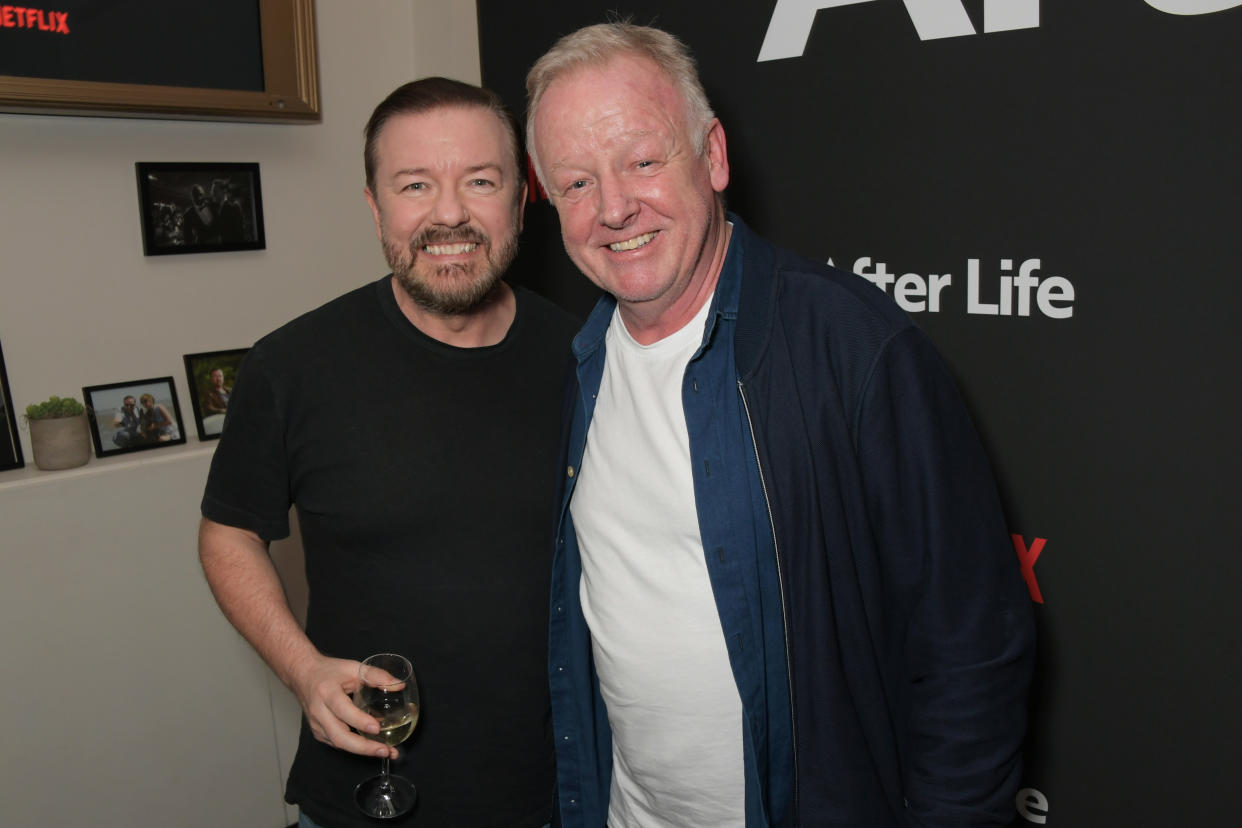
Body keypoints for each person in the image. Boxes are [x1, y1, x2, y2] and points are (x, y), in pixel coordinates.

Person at [526, 23, 1037, 828]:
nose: (614, 207)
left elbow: (969, 648)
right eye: (577, 182)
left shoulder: (858, 350)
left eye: (644, 161)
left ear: (715, 156)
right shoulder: (580, 362)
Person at [198, 77, 579, 828]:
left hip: (560, 795)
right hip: (364, 798)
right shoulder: (291, 366)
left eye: (480, 181)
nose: (448, 213)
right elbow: (228, 531)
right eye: (415, 184)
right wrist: (301, 668)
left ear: (521, 196)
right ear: (375, 206)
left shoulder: (587, 355)